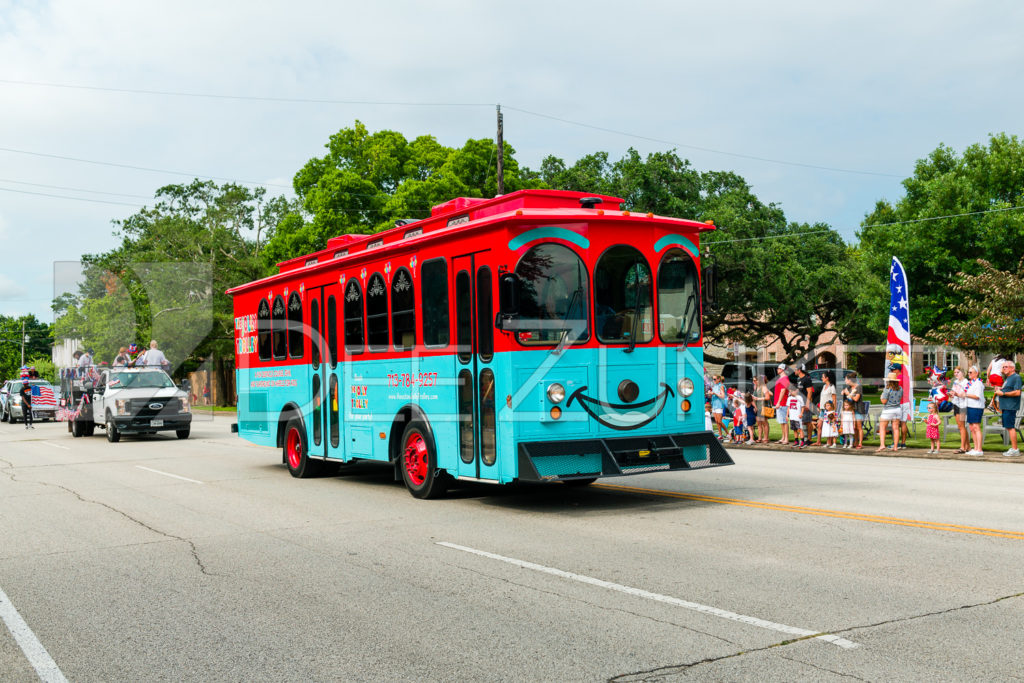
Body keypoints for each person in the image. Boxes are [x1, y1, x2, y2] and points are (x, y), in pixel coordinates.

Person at [994, 359, 1021, 457]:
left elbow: (1018, 392)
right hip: (1006, 406)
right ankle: (1014, 448)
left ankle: (1015, 449)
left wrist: (1003, 393)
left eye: (1005, 367)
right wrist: (1001, 390)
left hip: (1010, 406)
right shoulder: (1008, 378)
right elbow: (1008, 389)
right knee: (1008, 427)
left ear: (1012, 368)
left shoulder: (1016, 377)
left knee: (1010, 427)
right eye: (1003, 367)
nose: (1003, 368)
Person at [877, 372, 903, 452]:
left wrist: (881, 397)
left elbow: (884, 401)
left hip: (888, 410)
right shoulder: (900, 388)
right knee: (896, 429)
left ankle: (882, 445)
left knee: (882, 427)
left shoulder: (887, 389)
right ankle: (895, 446)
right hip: (897, 409)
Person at [963, 365, 986, 456]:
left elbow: (977, 396)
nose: (969, 374)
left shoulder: (978, 383)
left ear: (976, 373)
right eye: (968, 372)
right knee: (972, 428)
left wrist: (965, 395)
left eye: (971, 372)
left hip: (976, 407)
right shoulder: (971, 383)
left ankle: (979, 449)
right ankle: (975, 448)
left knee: (976, 427)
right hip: (970, 406)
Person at [949, 366, 970, 453]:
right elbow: (954, 392)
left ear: (962, 373)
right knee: (960, 426)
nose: (956, 374)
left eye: (958, 372)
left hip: (963, 406)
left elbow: (964, 394)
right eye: (955, 372)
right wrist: (951, 394)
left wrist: (957, 394)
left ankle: (962, 447)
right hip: (956, 405)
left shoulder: (966, 382)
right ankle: (968, 447)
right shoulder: (955, 382)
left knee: (962, 426)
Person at [842, 372, 865, 449]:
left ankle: (860, 443)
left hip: (858, 409)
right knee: (854, 427)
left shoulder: (858, 387)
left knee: (859, 427)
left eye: (846, 380)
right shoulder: (848, 387)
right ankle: (855, 442)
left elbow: (856, 399)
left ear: (850, 380)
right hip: (850, 411)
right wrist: (843, 393)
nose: (845, 381)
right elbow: (844, 394)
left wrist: (848, 393)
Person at [813, 372, 836, 446]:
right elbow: (822, 398)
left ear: (827, 378)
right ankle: (818, 442)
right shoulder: (824, 386)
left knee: (828, 426)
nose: (821, 378)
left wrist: (833, 411)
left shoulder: (832, 387)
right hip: (822, 409)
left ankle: (829, 442)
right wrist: (819, 407)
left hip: (828, 410)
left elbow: (834, 400)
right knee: (819, 425)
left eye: (823, 377)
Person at [773, 364, 791, 444]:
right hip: (779, 402)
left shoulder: (784, 378)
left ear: (782, 369)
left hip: (782, 402)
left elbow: (783, 391)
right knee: (781, 421)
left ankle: (786, 438)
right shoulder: (781, 378)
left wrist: (779, 402)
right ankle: (783, 437)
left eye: (779, 368)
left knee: (784, 421)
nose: (777, 369)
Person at [754, 375, 771, 443]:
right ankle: (760, 437)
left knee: (764, 423)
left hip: (763, 407)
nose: (754, 382)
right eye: (753, 380)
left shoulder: (763, 387)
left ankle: (766, 438)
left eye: (755, 380)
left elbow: (767, 397)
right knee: (758, 423)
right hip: (758, 407)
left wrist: (758, 398)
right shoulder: (756, 387)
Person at [710, 375, 727, 439]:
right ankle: (720, 435)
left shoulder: (721, 386)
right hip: (714, 404)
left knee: (719, 421)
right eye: (713, 379)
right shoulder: (714, 386)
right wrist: (710, 394)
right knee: (717, 421)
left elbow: (722, 396)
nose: (713, 380)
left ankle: (728, 434)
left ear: (719, 379)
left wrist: (715, 394)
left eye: (714, 379)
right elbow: (714, 394)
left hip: (719, 405)